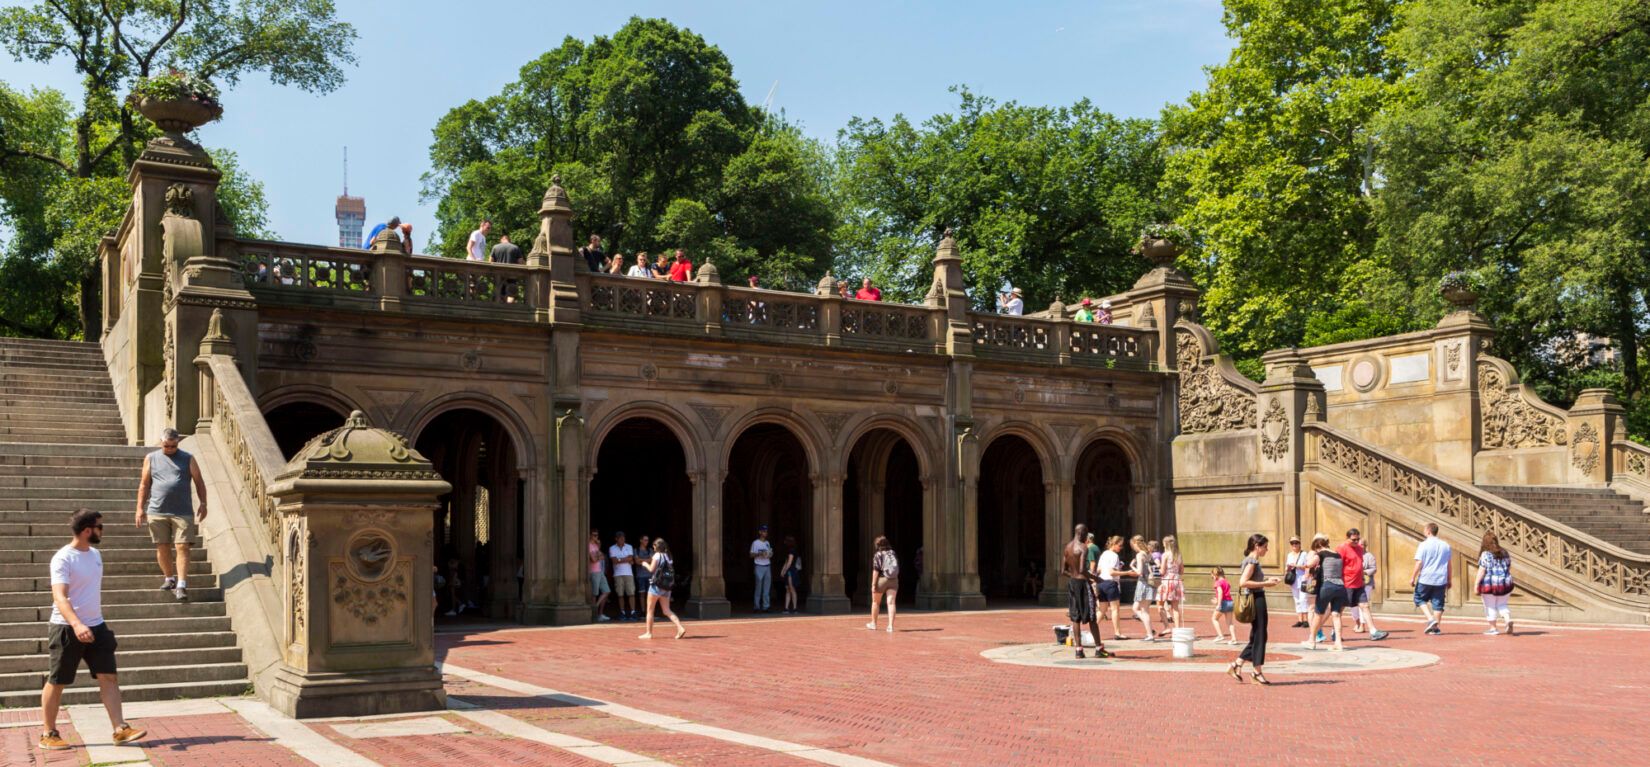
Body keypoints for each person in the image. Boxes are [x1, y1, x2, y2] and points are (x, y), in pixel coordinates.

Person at [39, 509, 146, 751]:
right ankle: (48, 733)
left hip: (97, 626)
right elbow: (60, 597)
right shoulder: (63, 558)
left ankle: (120, 728)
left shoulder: (96, 554)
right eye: (100, 527)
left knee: (109, 676)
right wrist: (77, 624)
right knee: (57, 681)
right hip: (67, 628)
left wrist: (90, 624)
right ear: (88, 530)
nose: (102, 531)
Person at [135, 428, 207, 602]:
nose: (169, 449)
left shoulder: (188, 458)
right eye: (166, 446)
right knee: (162, 546)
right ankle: (169, 578)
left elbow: (199, 481)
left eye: (173, 446)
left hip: (182, 511)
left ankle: (181, 584)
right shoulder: (151, 458)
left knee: (182, 546)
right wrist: (139, 508)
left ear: (178, 443)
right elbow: (144, 484)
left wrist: (203, 503)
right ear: (161, 442)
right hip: (157, 510)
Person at [1229, 534, 1282, 684]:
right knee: (1260, 635)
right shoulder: (1252, 561)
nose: (1267, 549)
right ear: (1257, 546)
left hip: (1256, 597)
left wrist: (1267, 580)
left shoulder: (1250, 560)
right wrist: (1266, 584)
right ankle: (1256, 672)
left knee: (1258, 635)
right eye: (1265, 547)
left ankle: (1237, 664)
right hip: (1256, 599)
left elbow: (1250, 580)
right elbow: (1243, 582)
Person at [1062, 524, 1111, 659]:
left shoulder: (1067, 547)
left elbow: (1063, 571)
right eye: (1086, 534)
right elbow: (1083, 569)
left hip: (1073, 584)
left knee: (1075, 617)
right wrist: (1096, 578)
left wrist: (1074, 576)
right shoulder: (1083, 547)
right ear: (1082, 533)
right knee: (1092, 617)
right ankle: (1099, 648)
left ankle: (1079, 650)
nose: (1087, 537)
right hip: (1083, 584)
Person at [1339, 528, 1389, 641]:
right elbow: (1338, 565)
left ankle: (1373, 631)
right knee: (1340, 609)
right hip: (1347, 584)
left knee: (1365, 606)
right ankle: (1335, 632)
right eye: (1354, 540)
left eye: (1358, 539)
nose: (1356, 542)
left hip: (1359, 583)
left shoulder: (1360, 549)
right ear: (1347, 538)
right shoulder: (1342, 548)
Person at [1302, 533, 1346, 651]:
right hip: (1340, 586)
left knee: (1318, 614)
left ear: (1318, 545)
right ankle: (1338, 643)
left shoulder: (1320, 554)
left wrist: (1298, 565)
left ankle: (1312, 640)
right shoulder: (1338, 555)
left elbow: (1310, 564)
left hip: (1327, 586)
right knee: (1336, 614)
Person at [638, 538, 686, 640]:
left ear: (657, 546)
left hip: (656, 586)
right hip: (667, 586)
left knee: (650, 610)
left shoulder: (657, 555)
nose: (653, 547)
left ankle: (649, 633)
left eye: (654, 546)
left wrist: (645, 564)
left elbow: (652, 569)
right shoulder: (668, 556)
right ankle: (680, 627)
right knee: (667, 610)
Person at [1412, 522, 1453, 635]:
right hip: (1440, 578)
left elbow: (1419, 562)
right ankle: (1435, 628)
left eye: (1425, 530)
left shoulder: (1423, 545)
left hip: (1426, 577)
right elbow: (1449, 565)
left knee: (1419, 598)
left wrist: (1413, 577)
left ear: (1429, 531)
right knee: (1438, 603)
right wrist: (1449, 579)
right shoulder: (1446, 545)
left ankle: (1431, 619)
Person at [1095, 535, 1135, 640]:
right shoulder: (1114, 556)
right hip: (1110, 583)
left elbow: (1098, 570)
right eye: (1120, 545)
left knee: (1102, 609)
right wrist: (1127, 573)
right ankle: (1117, 633)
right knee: (1115, 609)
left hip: (1101, 582)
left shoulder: (1104, 554)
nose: (1121, 548)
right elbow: (1112, 572)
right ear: (1114, 544)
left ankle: (1092, 630)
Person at [1476, 532, 1514, 635]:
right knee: (1502, 604)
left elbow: (1482, 570)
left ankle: (1493, 628)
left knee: (1490, 606)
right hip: (1505, 583)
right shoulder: (1504, 552)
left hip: (1490, 584)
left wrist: (1476, 585)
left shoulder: (1485, 554)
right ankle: (1507, 620)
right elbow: (1509, 567)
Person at [1128, 535, 1159, 640]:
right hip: (1150, 584)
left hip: (1143, 584)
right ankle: (1150, 629)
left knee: (1144, 610)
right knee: (1136, 608)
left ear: (1135, 544)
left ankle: (1150, 634)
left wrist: (1132, 566)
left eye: (1132, 545)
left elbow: (1139, 572)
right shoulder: (1148, 554)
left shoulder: (1140, 554)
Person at [867, 536, 899, 632]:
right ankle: (890, 626)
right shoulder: (893, 553)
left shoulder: (878, 554)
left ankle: (873, 623)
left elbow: (876, 570)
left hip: (882, 579)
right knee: (891, 603)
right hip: (893, 580)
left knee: (876, 602)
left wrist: (873, 584)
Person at [609, 531, 637, 621]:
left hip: (628, 573)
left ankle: (633, 612)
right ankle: (622, 612)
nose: (622, 539)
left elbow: (631, 558)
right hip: (617, 574)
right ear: (616, 539)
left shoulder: (629, 546)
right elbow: (614, 561)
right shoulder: (612, 548)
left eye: (623, 538)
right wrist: (626, 559)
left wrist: (619, 559)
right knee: (620, 594)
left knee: (631, 593)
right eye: (620, 538)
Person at [1158, 535, 1185, 629]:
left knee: (1160, 604)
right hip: (1176, 580)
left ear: (1166, 544)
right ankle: (1177, 628)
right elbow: (1181, 571)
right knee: (1175, 607)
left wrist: (1158, 568)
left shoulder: (1165, 555)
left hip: (1167, 580)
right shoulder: (1178, 555)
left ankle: (1167, 627)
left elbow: (1162, 571)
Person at [1284, 536, 1312, 628]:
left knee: (1303, 599)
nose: (1294, 545)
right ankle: (1300, 620)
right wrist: (1288, 568)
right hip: (1293, 579)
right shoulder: (1289, 555)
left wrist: (1296, 565)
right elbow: (1287, 568)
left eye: (1296, 543)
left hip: (1303, 579)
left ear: (1299, 544)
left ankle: (1306, 620)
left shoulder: (1304, 554)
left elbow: (1307, 566)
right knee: (1297, 600)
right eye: (1292, 543)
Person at [587, 529, 611, 622]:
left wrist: (599, 548)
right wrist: (598, 557)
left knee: (606, 591)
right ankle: (594, 615)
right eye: (594, 535)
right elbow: (593, 560)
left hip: (600, 571)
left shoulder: (596, 545)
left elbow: (602, 556)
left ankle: (597, 608)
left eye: (597, 535)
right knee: (595, 593)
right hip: (593, 571)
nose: (596, 537)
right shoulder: (588, 545)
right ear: (590, 535)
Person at [1210, 566, 1237, 644]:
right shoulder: (1226, 582)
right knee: (1230, 622)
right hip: (1230, 602)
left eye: (1212, 576)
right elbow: (1225, 593)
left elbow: (1220, 592)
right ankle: (1234, 639)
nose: (1212, 578)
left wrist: (1218, 604)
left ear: (1216, 574)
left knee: (1214, 619)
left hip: (1223, 603)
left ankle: (1220, 635)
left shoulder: (1218, 582)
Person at [750, 525, 774, 613]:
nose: (765, 533)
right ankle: (756, 606)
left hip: (767, 565)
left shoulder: (767, 543)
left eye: (766, 531)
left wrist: (769, 554)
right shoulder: (755, 543)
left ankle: (766, 607)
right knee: (758, 587)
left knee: (767, 588)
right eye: (763, 531)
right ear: (760, 532)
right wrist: (760, 554)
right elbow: (751, 554)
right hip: (759, 566)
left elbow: (769, 553)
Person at [780, 536, 802, 614]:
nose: (784, 542)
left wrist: (784, 571)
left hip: (791, 571)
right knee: (788, 590)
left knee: (791, 589)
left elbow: (789, 562)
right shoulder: (789, 551)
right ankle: (786, 608)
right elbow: (786, 562)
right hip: (789, 571)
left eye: (785, 541)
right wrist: (782, 571)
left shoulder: (792, 551)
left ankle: (795, 608)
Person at [633, 534, 652, 599]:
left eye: (647, 540)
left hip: (650, 575)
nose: (647, 541)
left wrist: (640, 559)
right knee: (642, 594)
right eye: (645, 540)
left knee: (650, 594)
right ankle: (643, 606)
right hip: (640, 575)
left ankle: (649, 606)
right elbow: (637, 562)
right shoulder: (636, 550)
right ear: (641, 540)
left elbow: (651, 560)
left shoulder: (650, 550)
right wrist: (647, 560)